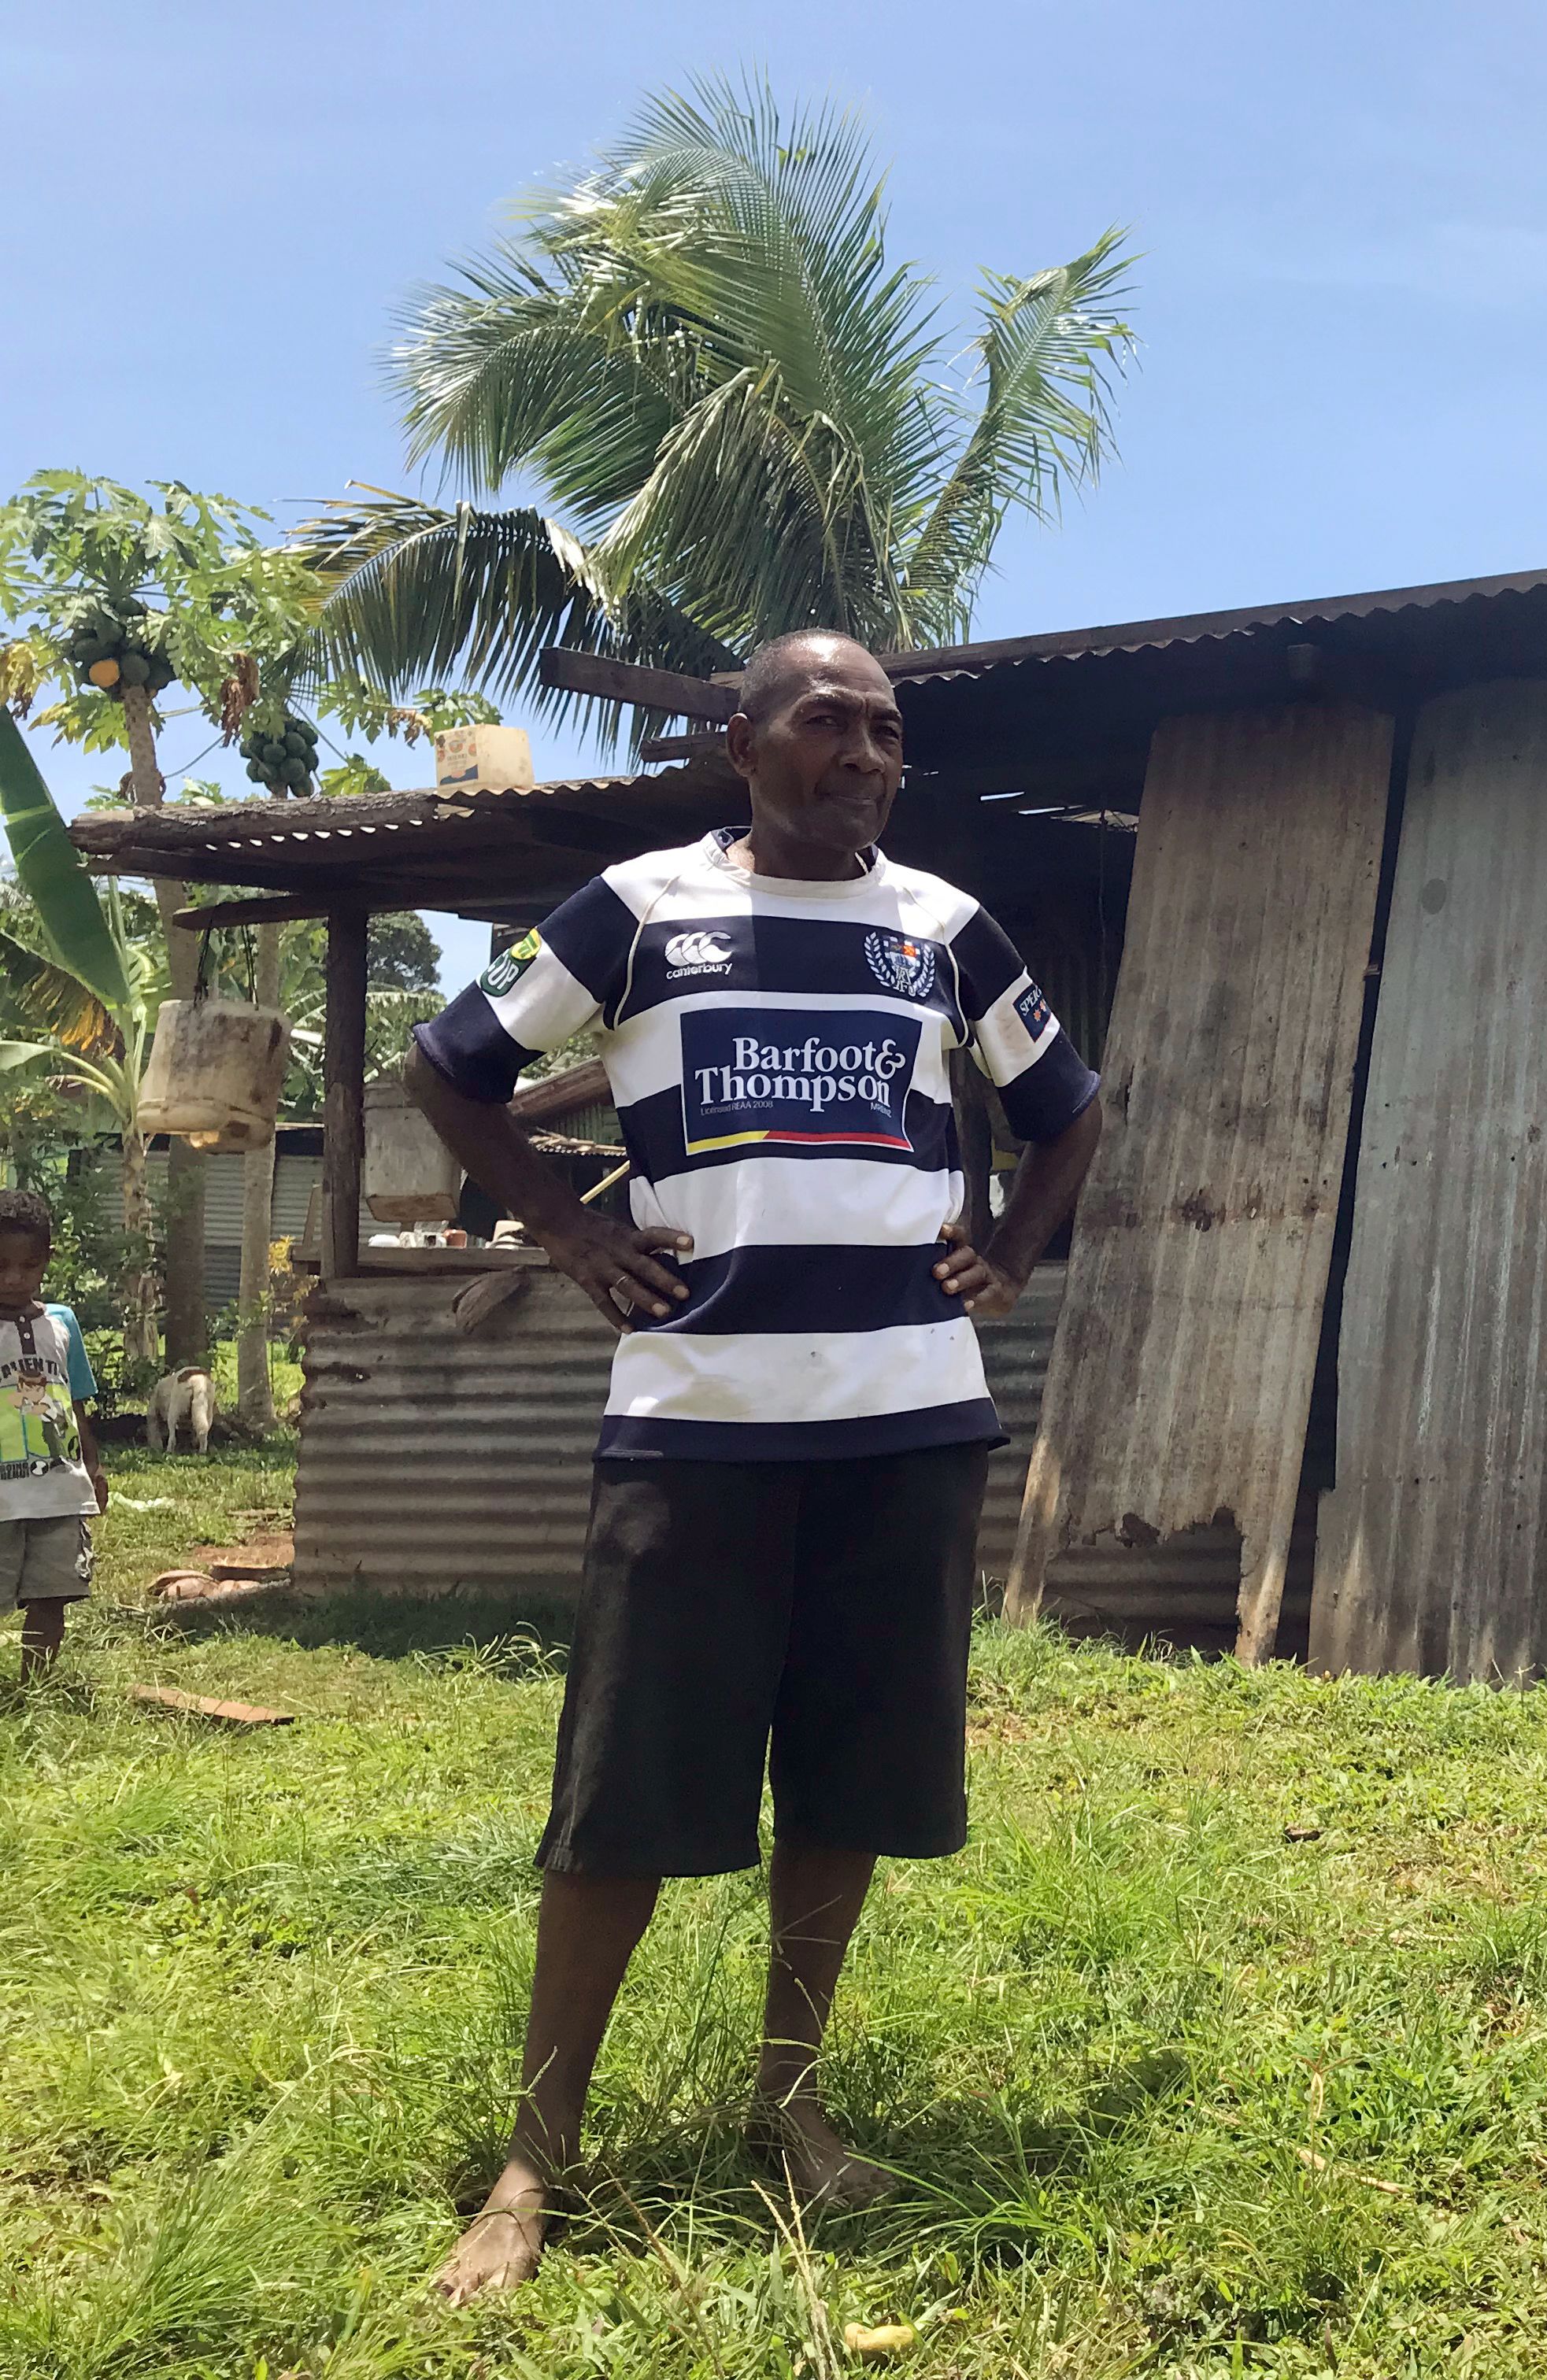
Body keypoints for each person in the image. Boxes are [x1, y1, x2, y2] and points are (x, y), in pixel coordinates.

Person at [409, 629, 1105, 2303]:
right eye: (825, 723)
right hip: (700, 1425)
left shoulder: (942, 929)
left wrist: (1010, 1247)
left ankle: (790, 2102)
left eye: (884, 730)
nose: (864, 754)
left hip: (904, 1424)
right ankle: (534, 2161)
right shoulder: (639, 911)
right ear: (743, 744)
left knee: (853, 1778)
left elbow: (1068, 1104)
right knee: (623, 1797)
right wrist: (571, 1231)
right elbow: (452, 1068)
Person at [0, 1189, 105, 1678]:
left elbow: (76, 1401)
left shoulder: (62, 1323)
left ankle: (34, 1687)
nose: (13, 1279)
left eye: (28, 1266)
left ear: (47, 1262)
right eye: (0, 1266)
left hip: (59, 1490)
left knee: (52, 1595)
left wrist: (95, 1469)